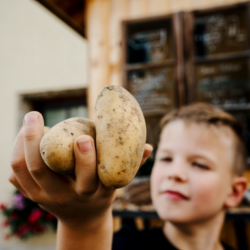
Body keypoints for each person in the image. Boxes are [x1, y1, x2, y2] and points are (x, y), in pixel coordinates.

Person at [9, 102, 247, 250]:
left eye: (199, 164)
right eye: (165, 159)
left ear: (235, 191)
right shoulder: (121, 245)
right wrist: (83, 225)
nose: (175, 173)